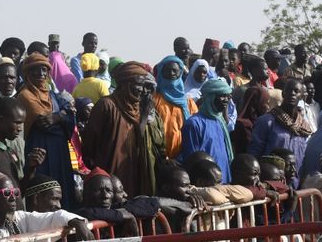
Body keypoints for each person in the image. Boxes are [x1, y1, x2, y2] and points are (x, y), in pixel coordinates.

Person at [83, 62, 166, 196]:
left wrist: (144, 116)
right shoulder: (107, 105)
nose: (141, 90)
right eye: (137, 84)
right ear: (125, 84)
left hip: (136, 170)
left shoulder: (142, 109)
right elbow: (90, 143)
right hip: (110, 170)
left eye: (143, 85)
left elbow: (142, 140)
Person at [18, 53, 79, 207]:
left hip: (59, 149)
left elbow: (69, 118)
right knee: (44, 191)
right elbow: (43, 122)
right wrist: (63, 115)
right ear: (27, 74)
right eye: (35, 70)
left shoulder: (51, 94)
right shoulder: (25, 95)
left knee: (63, 187)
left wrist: (58, 117)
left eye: (44, 70)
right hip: (39, 147)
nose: (41, 74)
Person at [249, 79, 313, 183]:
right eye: (289, 90)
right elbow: (254, 153)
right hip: (271, 181)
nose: (292, 93)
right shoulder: (267, 121)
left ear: (301, 96)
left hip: (295, 183)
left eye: (296, 91)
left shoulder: (304, 127)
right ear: (283, 93)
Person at [0, 97, 42, 187]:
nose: (20, 128)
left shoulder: (9, 151)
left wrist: (31, 168)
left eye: (21, 124)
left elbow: (17, 193)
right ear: (1, 120)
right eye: (17, 123)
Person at [179, 78, 233, 183]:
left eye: (227, 96)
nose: (226, 100)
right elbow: (192, 160)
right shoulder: (194, 124)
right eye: (222, 96)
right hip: (207, 183)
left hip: (225, 179)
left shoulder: (220, 121)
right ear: (210, 97)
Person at [153, 55, 195, 159]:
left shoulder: (188, 102)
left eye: (174, 71)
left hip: (184, 156)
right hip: (159, 156)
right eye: (167, 70)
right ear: (161, 73)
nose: (171, 73)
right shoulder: (154, 99)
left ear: (180, 73)